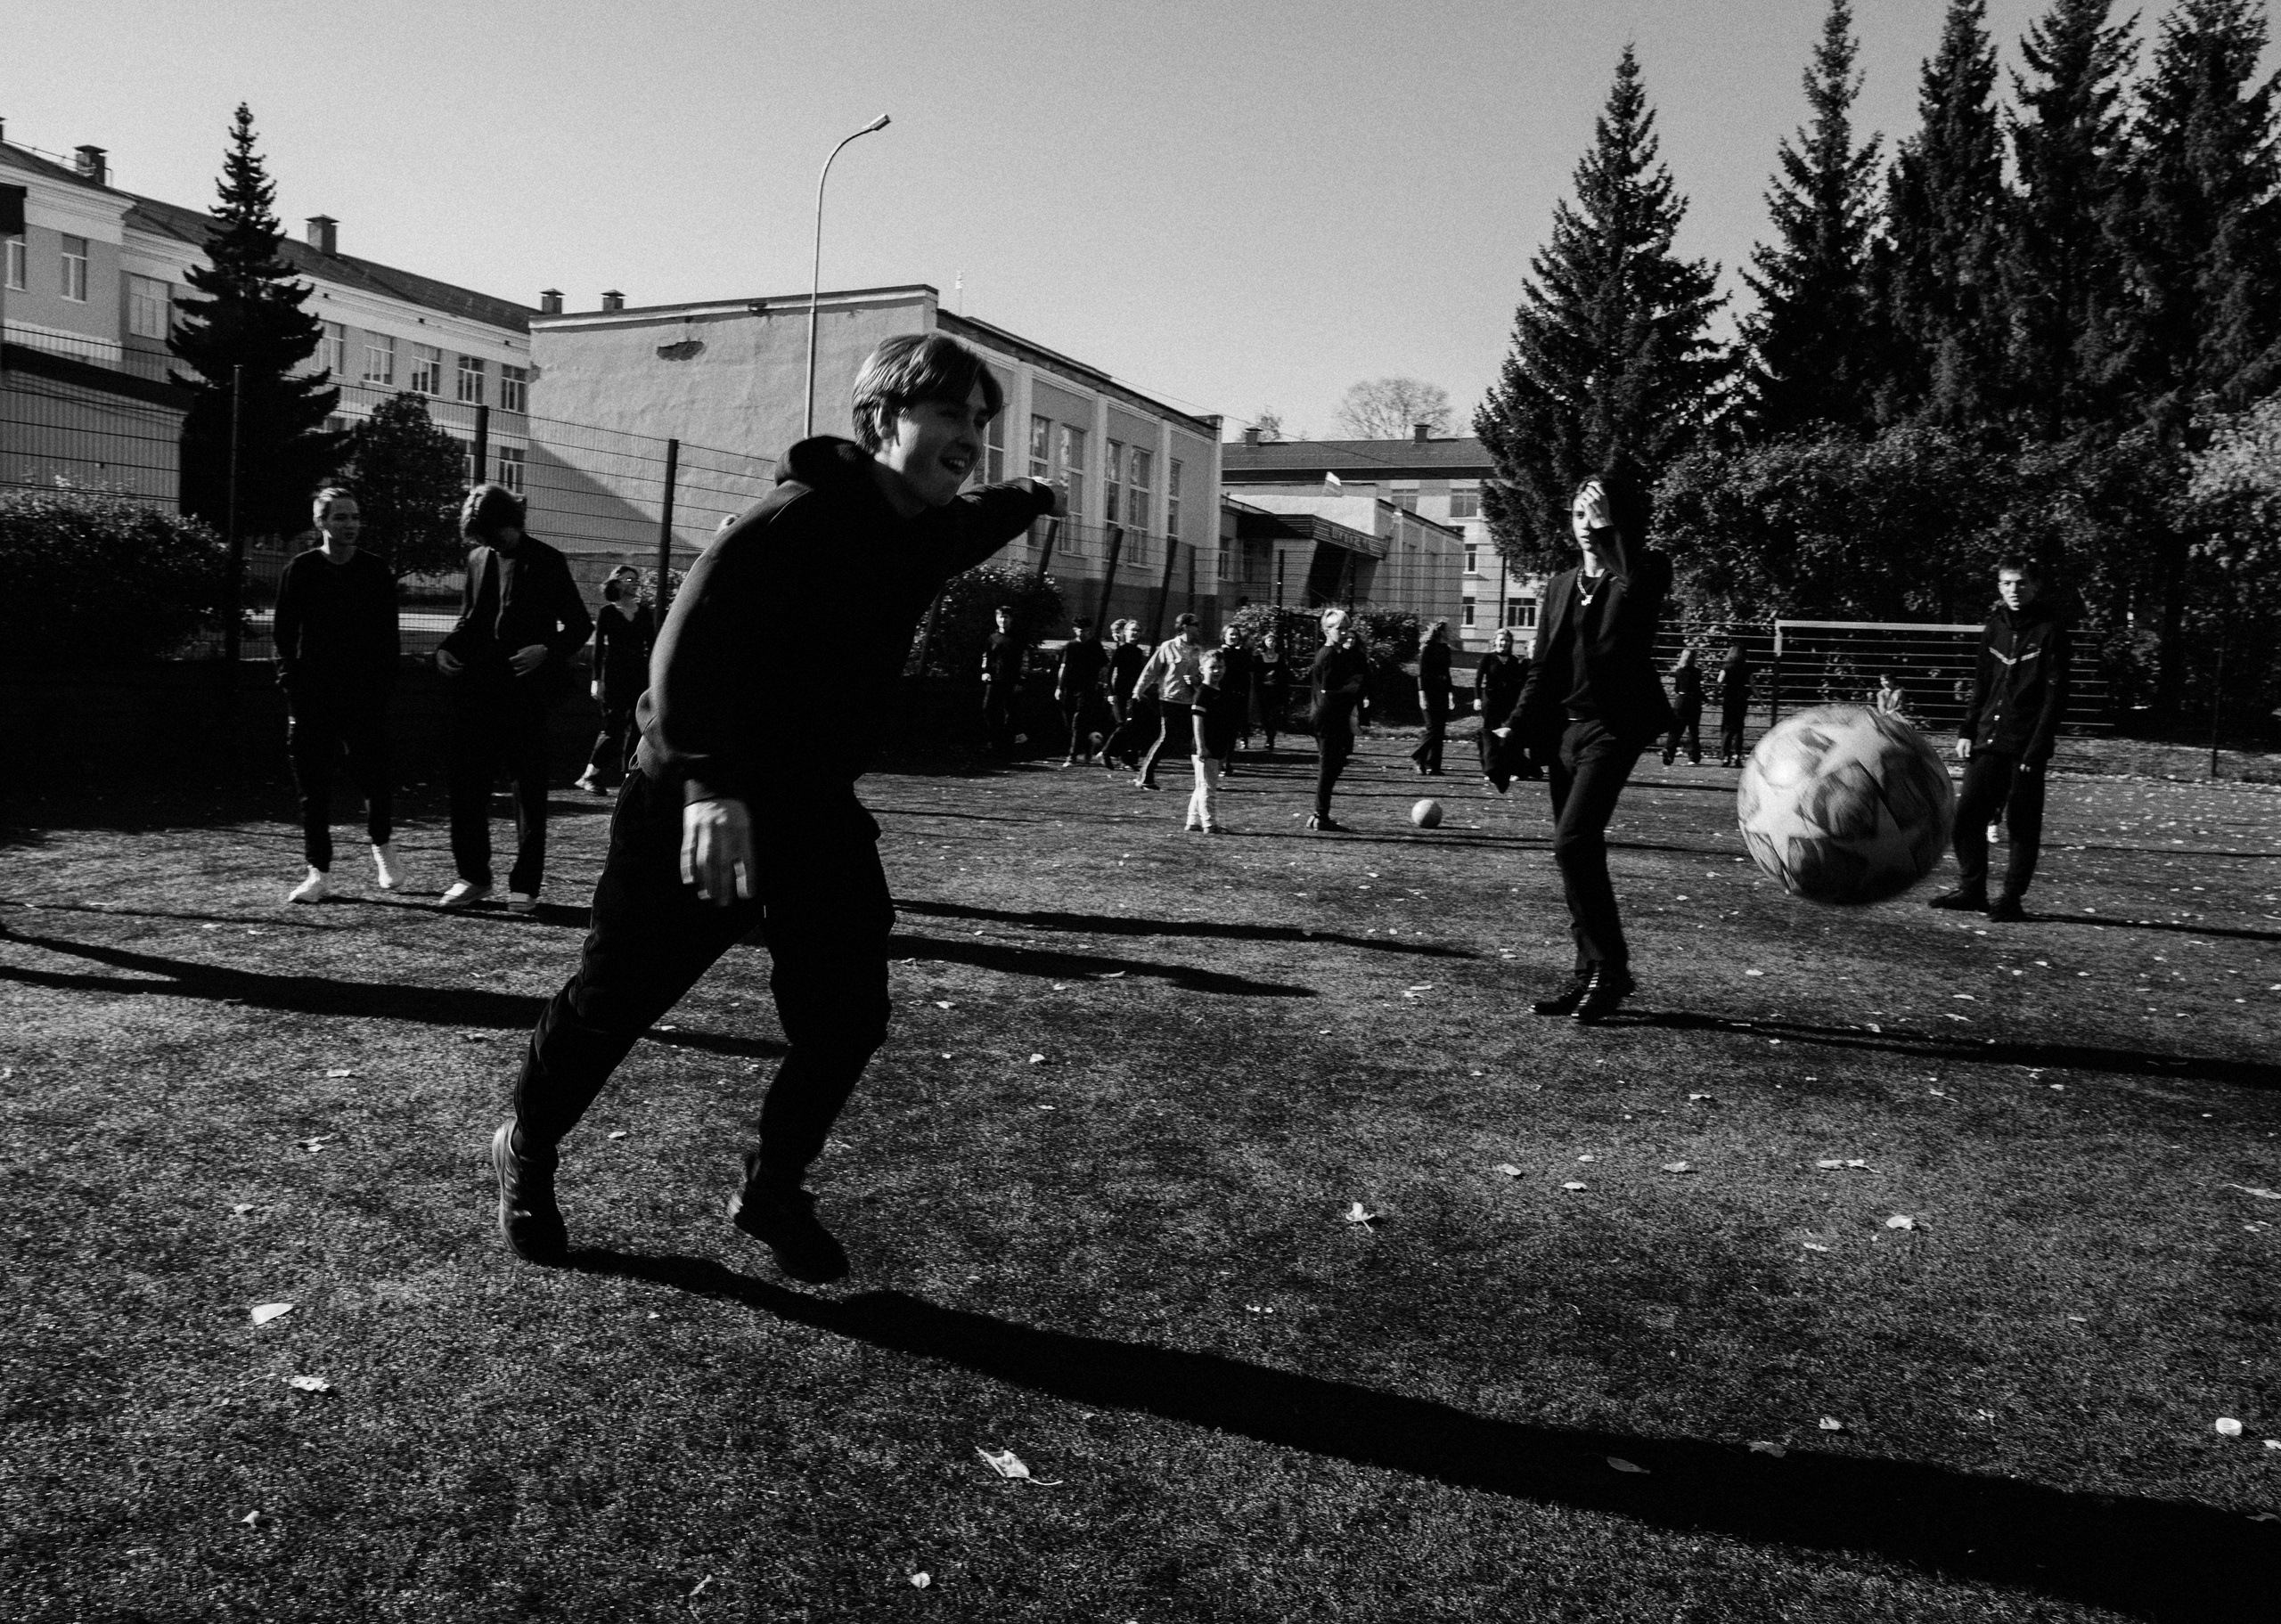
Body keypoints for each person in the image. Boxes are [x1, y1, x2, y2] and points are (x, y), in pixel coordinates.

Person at [491, 332, 1063, 1278]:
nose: (972, 437)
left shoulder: (924, 525)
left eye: (981, 420)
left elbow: (979, 518)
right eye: (952, 414)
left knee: (845, 1017)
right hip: (693, 797)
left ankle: (771, 1188)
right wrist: (711, 787)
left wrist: (1034, 496)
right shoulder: (791, 520)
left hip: (812, 808)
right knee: (614, 1002)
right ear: (884, 420)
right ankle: (527, 1146)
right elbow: (680, 652)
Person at [1494, 469, 1674, 1024]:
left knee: (1573, 841)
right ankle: (1587, 972)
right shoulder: (1558, 584)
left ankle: (1610, 969)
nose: (1586, 525)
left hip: (1615, 727)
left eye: (1597, 514)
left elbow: (1636, 601)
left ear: (1617, 519)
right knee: (1574, 850)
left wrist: (1609, 529)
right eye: (1579, 515)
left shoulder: (1643, 568)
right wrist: (1511, 729)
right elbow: (1543, 669)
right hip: (1566, 733)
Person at [436, 485, 593, 912]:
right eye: (480, 539)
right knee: (466, 787)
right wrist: (447, 647)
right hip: (478, 693)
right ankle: (472, 877)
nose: (488, 544)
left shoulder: (547, 560)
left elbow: (580, 625)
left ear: (512, 524)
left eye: (494, 536)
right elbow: (471, 618)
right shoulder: (477, 559)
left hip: (527, 696)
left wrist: (547, 649)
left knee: (528, 793)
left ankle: (524, 886)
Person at [273, 487, 404, 903]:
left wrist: (382, 686)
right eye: (341, 518)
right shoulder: (300, 571)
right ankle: (319, 873)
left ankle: (382, 846)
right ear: (321, 523)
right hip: (314, 696)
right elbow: (283, 634)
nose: (351, 525)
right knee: (314, 789)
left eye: (355, 517)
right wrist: (292, 682)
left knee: (375, 778)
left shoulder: (375, 571)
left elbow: (388, 636)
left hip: (364, 695)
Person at [1927, 559, 2071, 923]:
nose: (2014, 590)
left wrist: (2038, 747)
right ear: (1999, 587)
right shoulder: (1994, 629)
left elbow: (2056, 697)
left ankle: (2011, 898)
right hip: (1987, 741)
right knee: (1966, 818)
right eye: (2007, 584)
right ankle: (1972, 890)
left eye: (2021, 583)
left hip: (2025, 746)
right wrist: (1966, 730)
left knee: (2022, 825)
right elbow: (1981, 685)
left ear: (2034, 587)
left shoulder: (2051, 630)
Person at [576, 566, 654, 796]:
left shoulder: (644, 613)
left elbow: (653, 645)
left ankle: (630, 778)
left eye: (636, 579)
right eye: (629, 579)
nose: (634, 583)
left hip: (639, 675)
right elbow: (598, 649)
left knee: (638, 726)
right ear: (617, 582)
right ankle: (590, 775)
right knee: (614, 729)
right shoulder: (607, 613)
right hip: (614, 676)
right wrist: (596, 680)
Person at [1307, 608, 1370, 831]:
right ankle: (1320, 815)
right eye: (1339, 629)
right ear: (1327, 630)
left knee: (1336, 763)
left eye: (1346, 628)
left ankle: (1319, 814)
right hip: (1327, 717)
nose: (1344, 633)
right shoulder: (1328, 655)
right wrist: (1355, 686)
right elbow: (1328, 691)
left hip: (1335, 716)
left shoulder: (1340, 653)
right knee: (1328, 765)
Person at [1131, 612, 1204, 790]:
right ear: (1185, 626)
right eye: (1195, 624)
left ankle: (1203, 781)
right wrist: (1138, 690)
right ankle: (1146, 777)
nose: (1198, 627)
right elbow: (1151, 670)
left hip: (1190, 700)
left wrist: (1197, 680)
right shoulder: (1168, 647)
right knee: (1166, 738)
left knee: (1194, 740)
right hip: (1170, 699)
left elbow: (1205, 674)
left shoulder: (1199, 651)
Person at [1186, 645, 1238, 834]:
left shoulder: (1220, 691)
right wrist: (1201, 746)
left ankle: (1193, 821)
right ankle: (1210, 823)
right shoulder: (1203, 693)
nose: (1217, 671)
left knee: (1201, 786)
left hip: (1216, 746)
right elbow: (1197, 721)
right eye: (1212, 667)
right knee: (1208, 788)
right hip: (1205, 747)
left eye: (1220, 667)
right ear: (1202, 670)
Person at [1474, 624, 1531, 788]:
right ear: (1495, 642)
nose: (1503, 644)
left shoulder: (1514, 660)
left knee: (1510, 735)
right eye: (1501, 640)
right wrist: (1477, 698)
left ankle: (1512, 769)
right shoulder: (1487, 658)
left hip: (1508, 703)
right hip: (1491, 702)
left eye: (1506, 641)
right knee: (1489, 736)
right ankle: (1489, 769)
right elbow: (1478, 680)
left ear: (1510, 643)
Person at [1054, 618, 1108, 766]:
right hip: (1070, 688)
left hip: (1087, 688)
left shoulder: (1095, 646)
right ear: (1075, 630)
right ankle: (1088, 746)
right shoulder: (1070, 646)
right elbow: (1063, 667)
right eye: (1080, 630)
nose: (1083, 633)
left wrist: (1106, 685)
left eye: (1085, 630)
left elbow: (1104, 667)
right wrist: (1059, 687)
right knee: (1070, 723)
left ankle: (1072, 756)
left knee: (1078, 720)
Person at [1100, 620, 1152, 771]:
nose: (1135, 633)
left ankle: (1127, 759)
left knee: (1131, 726)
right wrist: (1110, 692)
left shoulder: (1138, 652)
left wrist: (1140, 691)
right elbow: (1109, 673)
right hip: (1119, 693)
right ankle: (1106, 752)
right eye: (1132, 630)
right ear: (1125, 632)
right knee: (1122, 725)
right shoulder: (1121, 650)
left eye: (1138, 630)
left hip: (1132, 693)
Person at [1410, 618, 1454, 776]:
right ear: (1440, 631)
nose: (1450, 633)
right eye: (1447, 630)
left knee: (1440, 730)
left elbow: (1447, 673)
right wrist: (1422, 695)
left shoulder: (1445, 649)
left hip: (1442, 692)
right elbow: (1421, 675)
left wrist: (1450, 694)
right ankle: (1419, 758)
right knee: (1432, 728)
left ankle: (1434, 765)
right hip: (1429, 692)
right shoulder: (1427, 649)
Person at [979, 605, 1023, 754]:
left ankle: (1007, 743)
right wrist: (985, 672)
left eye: (1006, 617)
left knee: (1010, 712)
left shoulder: (1018, 638)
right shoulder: (992, 638)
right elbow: (986, 657)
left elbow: (1024, 661)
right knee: (988, 709)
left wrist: (1020, 681)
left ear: (1011, 619)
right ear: (996, 619)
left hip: (1011, 681)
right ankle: (994, 740)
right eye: (1000, 617)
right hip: (994, 680)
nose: (1003, 620)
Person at [1214, 624, 1255, 775]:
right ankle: (1220, 761)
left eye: (1236, 635)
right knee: (1221, 731)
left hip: (1238, 697)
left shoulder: (1243, 653)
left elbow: (1249, 671)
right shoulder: (1220, 653)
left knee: (1232, 732)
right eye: (1231, 634)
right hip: (1222, 696)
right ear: (1224, 636)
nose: (1234, 637)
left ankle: (1227, 761)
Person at [1663, 648, 1705, 766]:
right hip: (1694, 701)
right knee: (1693, 730)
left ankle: (1669, 751)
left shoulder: (1678, 672)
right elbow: (1698, 689)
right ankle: (1693, 757)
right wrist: (1707, 699)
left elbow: (1677, 689)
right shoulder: (1697, 672)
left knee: (1676, 729)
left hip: (1681, 701)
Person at [1255, 631, 1294, 753]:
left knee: (1274, 715)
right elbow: (1256, 675)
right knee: (1265, 716)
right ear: (1264, 642)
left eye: (1273, 640)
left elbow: (1285, 675)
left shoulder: (1280, 658)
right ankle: (1267, 734)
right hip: (1263, 691)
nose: (1271, 643)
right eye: (1269, 640)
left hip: (1276, 692)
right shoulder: (1259, 658)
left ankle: (1270, 738)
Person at [1716, 640, 1754, 767]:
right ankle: (1737, 756)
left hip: (1729, 699)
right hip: (1741, 699)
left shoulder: (1726, 667)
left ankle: (1725, 756)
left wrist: (1715, 695)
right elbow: (1753, 685)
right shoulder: (1746, 667)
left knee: (1727, 727)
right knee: (1739, 729)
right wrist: (1761, 700)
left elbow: (1719, 681)